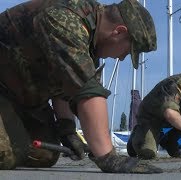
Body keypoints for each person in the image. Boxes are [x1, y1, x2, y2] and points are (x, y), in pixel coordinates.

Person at [0, 0, 162, 173]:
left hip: (23, 96)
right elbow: (88, 92)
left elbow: (66, 84)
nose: (122, 58)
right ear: (119, 32)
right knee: (6, 153)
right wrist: (108, 158)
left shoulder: (89, 43)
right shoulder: (66, 20)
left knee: (45, 153)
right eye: (128, 51)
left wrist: (67, 128)